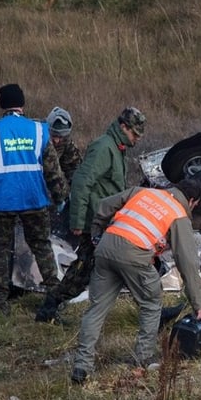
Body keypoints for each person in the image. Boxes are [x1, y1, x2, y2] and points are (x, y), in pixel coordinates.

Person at [70, 179, 201, 384]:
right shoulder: (179, 214)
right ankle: (142, 359)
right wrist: (198, 305)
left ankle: (81, 366)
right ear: (192, 201)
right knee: (151, 303)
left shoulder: (143, 192)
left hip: (106, 248)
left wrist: (97, 235)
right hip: (134, 255)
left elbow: (103, 206)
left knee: (96, 309)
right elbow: (187, 261)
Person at [35, 107, 145, 325]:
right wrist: (76, 221)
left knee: (85, 269)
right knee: (116, 263)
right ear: (123, 127)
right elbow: (81, 182)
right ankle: (152, 310)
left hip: (105, 220)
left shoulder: (117, 148)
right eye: (135, 134)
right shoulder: (104, 148)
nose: (137, 139)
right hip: (96, 222)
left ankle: (49, 307)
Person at [0, 83, 67, 315]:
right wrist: (60, 197)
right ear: (22, 104)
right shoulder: (39, 130)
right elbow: (53, 171)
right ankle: (55, 297)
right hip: (34, 199)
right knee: (42, 247)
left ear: (2, 105)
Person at [45, 106, 82, 183]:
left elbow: (74, 167)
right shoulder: (35, 137)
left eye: (60, 137)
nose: (57, 141)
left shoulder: (66, 142)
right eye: (54, 136)